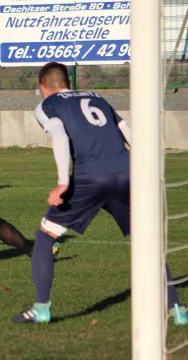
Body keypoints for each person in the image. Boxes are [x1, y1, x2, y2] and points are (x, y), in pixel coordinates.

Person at [11, 62, 187, 325]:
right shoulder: (97, 97)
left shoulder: (47, 105)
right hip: (127, 172)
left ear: (42, 87)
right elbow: (127, 130)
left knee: (46, 235)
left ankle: (41, 308)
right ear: (69, 83)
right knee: (147, 241)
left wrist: (62, 182)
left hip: (90, 176)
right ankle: (177, 310)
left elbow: (59, 136)